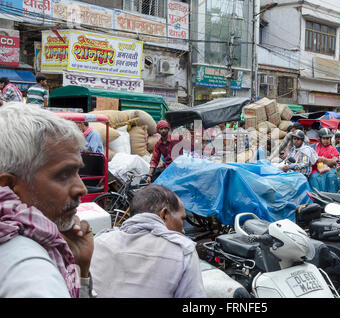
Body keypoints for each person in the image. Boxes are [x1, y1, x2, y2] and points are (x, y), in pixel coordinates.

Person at [0, 103, 94, 297]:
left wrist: (80, 268)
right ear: (8, 186)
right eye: (64, 174)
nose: (81, 188)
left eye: (78, 172)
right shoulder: (32, 271)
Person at [90, 184, 206, 298]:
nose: (183, 230)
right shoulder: (183, 251)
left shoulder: (99, 241)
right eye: (182, 220)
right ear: (164, 215)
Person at [309, 128, 340, 193]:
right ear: (320, 139)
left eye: (328, 138)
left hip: (329, 169)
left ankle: (332, 196)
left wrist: (324, 160)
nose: (326, 140)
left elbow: (335, 161)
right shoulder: (314, 147)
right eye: (324, 138)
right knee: (313, 177)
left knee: (331, 176)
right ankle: (317, 197)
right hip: (316, 170)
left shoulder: (333, 149)